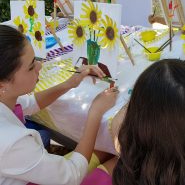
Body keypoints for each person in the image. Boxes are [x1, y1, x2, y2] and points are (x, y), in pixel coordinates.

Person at [0, 25, 118, 185]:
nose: (40, 66)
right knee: (120, 164)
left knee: (103, 148)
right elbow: (72, 175)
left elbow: (31, 103)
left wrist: (68, 84)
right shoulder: (11, 143)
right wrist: (95, 113)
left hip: (33, 170)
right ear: (2, 86)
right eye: (31, 66)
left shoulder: (6, 98)